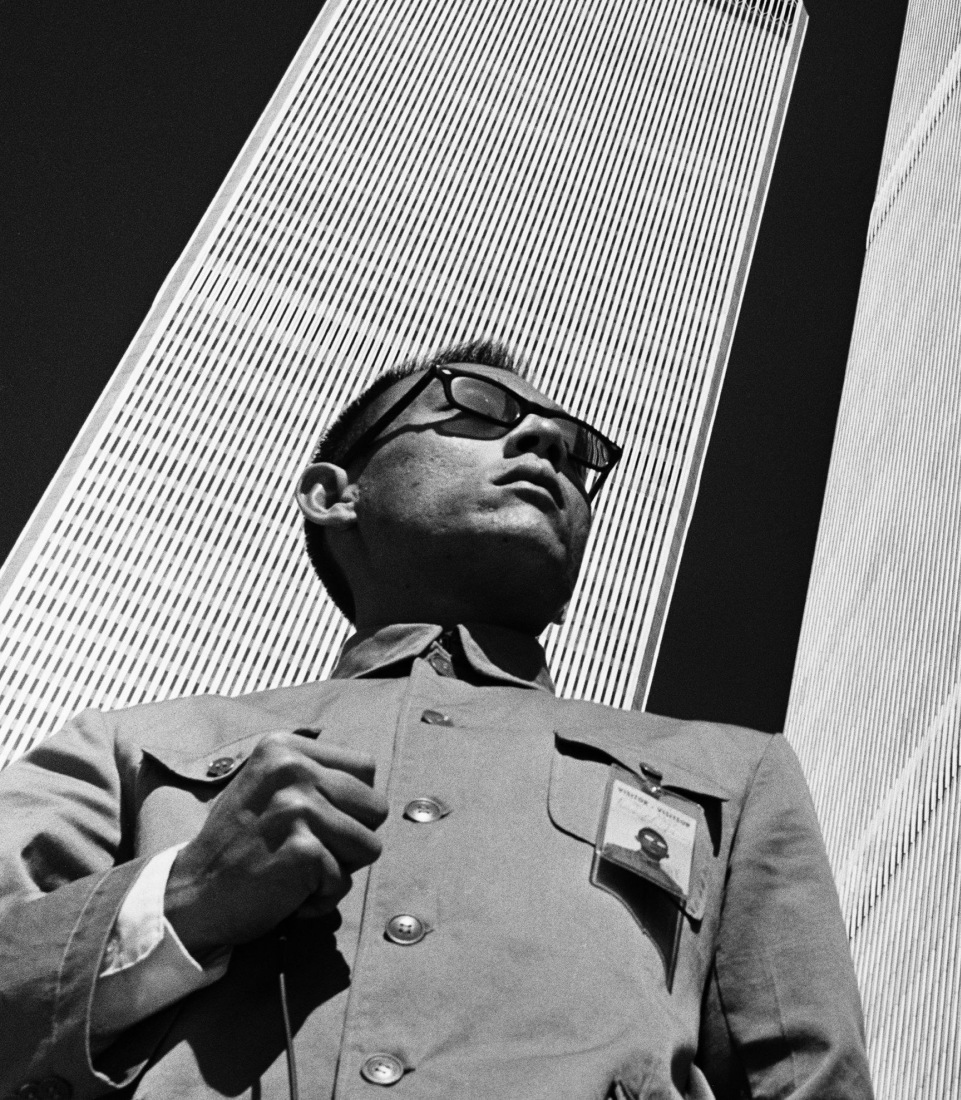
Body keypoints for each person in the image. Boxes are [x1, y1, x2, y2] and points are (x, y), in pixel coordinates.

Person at [0, 339, 873, 1099]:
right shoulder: (127, 746)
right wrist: (178, 905)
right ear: (333, 494)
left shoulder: (732, 772)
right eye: (477, 408)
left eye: (574, 452)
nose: (543, 442)